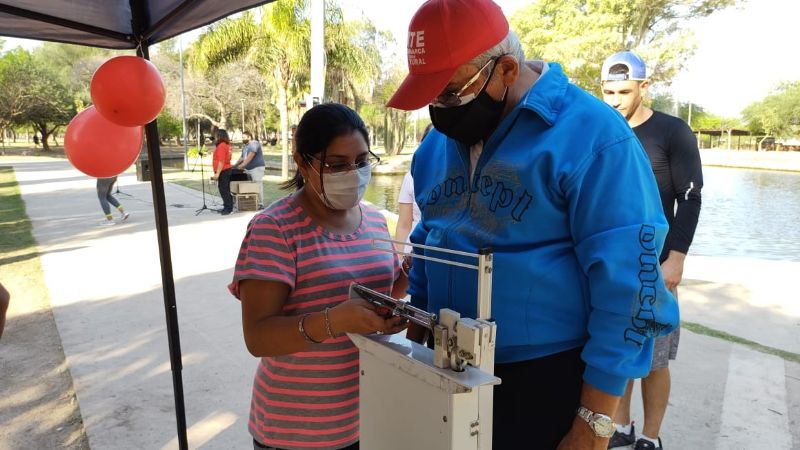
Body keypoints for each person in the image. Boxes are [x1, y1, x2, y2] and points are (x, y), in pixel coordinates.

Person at [386, 1, 678, 448]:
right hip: (446, 361)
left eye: (450, 93)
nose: (439, 110)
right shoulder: (438, 146)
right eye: (431, 97)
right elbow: (431, 237)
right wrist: (416, 345)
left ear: (504, 69)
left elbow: (630, 288)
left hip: (545, 377)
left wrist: (594, 423)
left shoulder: (593, 136)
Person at [228, 103, 408, 450]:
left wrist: (409, 278)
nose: (353, 174)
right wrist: (334, 321)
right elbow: (258, 337)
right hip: (294, 430)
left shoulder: (371, 219)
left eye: (361, 162)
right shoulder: (275, 229)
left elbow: (382, 294)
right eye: (337, 165)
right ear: (302, 162)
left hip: (363, 416)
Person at [600, 51, 703, 450]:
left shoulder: (672, 132)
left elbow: (690, 198)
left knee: (655, 360)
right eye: (608, 91)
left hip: (656, 264)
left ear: (644, 87)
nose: (615, 100)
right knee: (620, 350)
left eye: (624, 91)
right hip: (614, 264)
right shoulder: (602, 129)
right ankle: (623, 427)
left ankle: (650, 437)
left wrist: (676, 257)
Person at [394, 123, 432, 257]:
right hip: (411, 252)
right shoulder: (410, 177)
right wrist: (398, 258)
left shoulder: (458, 181)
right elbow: (404, 224)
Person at [235, 131, 266, 207]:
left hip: (256, 168)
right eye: (242, 137)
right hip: (248, 169)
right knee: (250, 186)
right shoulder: (246, 146)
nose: (242, 139)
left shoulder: (254, 144)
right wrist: (235, 165)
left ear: (249, 137)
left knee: (257, 185)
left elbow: (250, 156)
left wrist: (242, 165)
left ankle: (260, 204)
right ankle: (252, 203)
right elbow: (242, 158)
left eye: (244, 137)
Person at [211, 129, 234, 215]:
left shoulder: (221, 146)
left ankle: (228, 208)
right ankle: (227, 206)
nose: (215, 137)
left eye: (216, 135)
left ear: (219, 136)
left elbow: (221, 161)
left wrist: (217, 173)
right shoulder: (227, 145)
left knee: (224, 190)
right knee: (225, 190)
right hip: (226, 170)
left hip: (223, 171)